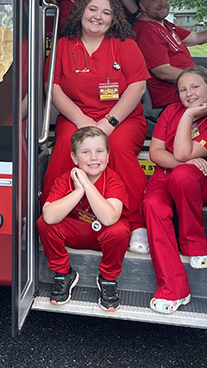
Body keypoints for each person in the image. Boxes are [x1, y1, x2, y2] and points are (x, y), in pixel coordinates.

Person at [42, 0, 150, 253]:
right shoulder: (64, 45)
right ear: (81, 12)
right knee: (68, 145)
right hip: (77, 115)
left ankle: (136, 224)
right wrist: (81, 120)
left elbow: (138, 86)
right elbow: (53, 87)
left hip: (122, 118)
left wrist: (108, 123)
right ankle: (59, 215)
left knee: (118, 149)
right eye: (93, 9)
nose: (98, 17)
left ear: (114, 20)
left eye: (106, 12)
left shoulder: (124, 44)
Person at [142, 65, 207, 314]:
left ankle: (194, 241)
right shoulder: (170, 111)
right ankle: (174, 288)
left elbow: (182, 152)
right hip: (165, 176)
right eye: (182, 90)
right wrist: (182, 161)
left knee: (184, 175)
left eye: (195, 87)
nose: (188, 94)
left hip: (203, 180)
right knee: (152, 204)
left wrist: (188, 117)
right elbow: (155, 153)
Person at [37, 126, 130, 311]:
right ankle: (64, 274)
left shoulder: (113, 180)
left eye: (99, 151)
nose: (94, 158)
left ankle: (108, 278)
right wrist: (78, 191)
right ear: (74, 158)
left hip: (102, 236)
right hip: (76, 231)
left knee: (119, 230)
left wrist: (86, 184)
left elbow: (110, 218)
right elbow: (48, 216)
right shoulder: (65, 179)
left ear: (108, 156)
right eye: (85, 152)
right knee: (44, 224)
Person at [134, 0, 207, 109]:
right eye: (155, 1)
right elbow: (163, 71)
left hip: (188, 95)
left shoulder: (165, 25)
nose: (162, 4)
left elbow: (196, 38)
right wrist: (204, 80)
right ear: (143, 7)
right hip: (176, 101)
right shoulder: (147, 31)